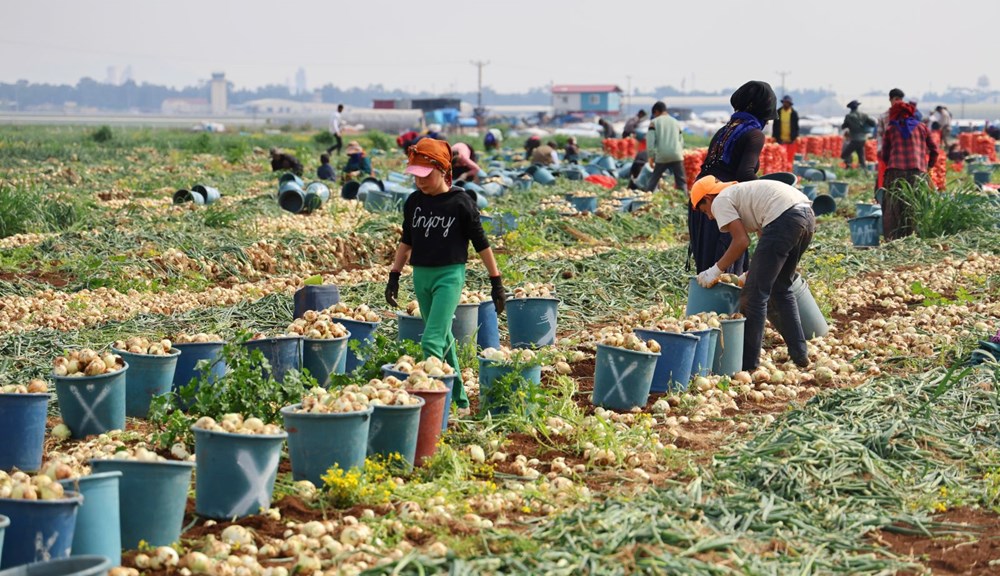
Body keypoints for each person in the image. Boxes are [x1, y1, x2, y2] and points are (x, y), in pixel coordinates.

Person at [385, 138, 506, 410]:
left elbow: (481, 243)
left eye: (425, 175)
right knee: (445, 340)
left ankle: (436, 406)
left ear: (442, 170)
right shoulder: (414, 202)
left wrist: (496, 281)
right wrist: (394, 275)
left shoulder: (461, 202)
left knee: (431, 340)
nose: (419, 182)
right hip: (421, 276)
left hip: (449, 276)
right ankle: (460, 400)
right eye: (415, 176)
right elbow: (407, 240)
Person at [690, 175, 815, 370]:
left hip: (786, 219)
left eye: (704, 210)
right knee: (780, 288)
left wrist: (715, 270)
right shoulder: (741, 193)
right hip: (805, 216)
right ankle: (799, 355)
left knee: (753, 296)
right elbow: (766, 237)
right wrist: (753, 272)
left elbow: (741, 241)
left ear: (707, 198)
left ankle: (748, 364)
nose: (709, 216)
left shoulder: (720, 199)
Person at [694, 80, 777, 275]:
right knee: (727, 266)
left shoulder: (724, 130)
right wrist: (770, 194)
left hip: (702, 201)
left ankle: (707, 304)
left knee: (708, 265)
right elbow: (745, 174)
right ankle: (727, 305)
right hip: (722, 203)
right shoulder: (754, 134)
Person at [880, 101, 939, 240]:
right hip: (917, 173)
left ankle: (894, 238)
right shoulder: (922, 127)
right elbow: (935, 150)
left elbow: (884, 154)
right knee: (915, 205)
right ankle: (914, 237)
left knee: (894, 206)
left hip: (895, 172)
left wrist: (891, 163)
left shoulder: (891, 129)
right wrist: (929, 165)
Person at [644, 101, 686, 192]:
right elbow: (681, 140)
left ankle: (647, 198)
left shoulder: (654, 122)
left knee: (654, 179)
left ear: (656, 111)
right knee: (681, 181)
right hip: (676, 154)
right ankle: (686, 202)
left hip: (662, 155)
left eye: (654, 114)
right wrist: (679, 151)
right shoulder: (675, 122)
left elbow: (650, 142)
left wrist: (651, 156)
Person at [876, 88, 906, 190]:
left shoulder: (906, 115)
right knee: (886, 177)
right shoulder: (883, 116)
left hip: (902, 151)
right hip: (888, 150)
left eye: (901, 99)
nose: (899, 102)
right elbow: (880, 135)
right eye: (896, 99)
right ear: (890, 99)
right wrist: (880, 149)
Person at [841, 100, 876, 169]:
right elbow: (873, 123)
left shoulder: (849, 116)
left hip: (854, 139)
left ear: (850, 108)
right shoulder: (864, 115)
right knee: (861, 157)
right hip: (863, 139)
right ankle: (865, 172)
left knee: (844, 154)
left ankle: (848, 166)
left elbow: (843, 126)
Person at [771, 95, 800, 164]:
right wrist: (774, 136)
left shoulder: (794, 113)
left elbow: (796, 126)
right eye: (784, 102)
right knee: (780, 157)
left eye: (787, 102)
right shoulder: (778, 112)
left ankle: (789, 171)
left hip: (791, 139)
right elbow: (775, 125)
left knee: (790, 158)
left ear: (790, 104)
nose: (785, 104)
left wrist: (797, 136)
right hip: (780, 139)